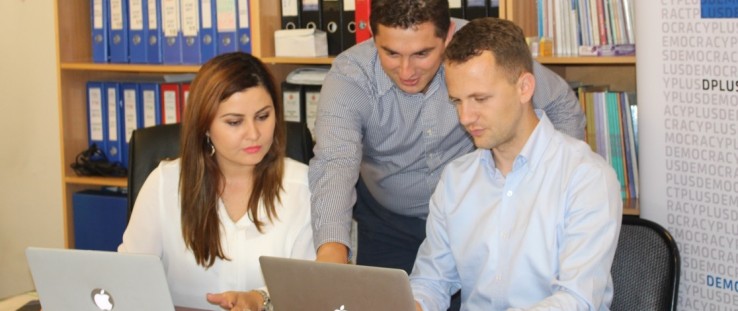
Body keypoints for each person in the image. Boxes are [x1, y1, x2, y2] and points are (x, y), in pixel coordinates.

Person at [310, 0, 585, 271]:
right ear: (374, 37)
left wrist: (549, 191)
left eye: (422, 54)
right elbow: (335, 162)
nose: (406, 71)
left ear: (449, 34)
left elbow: (560, 104)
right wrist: (331, 254)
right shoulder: (351, 76)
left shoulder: (480, 51)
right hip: (388, 225)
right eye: (391, 53)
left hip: (476, 216)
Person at [409, 17, 622, 311]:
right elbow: (432, 281)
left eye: (480, 99)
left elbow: (577, 300)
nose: (465, 117)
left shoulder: (585, 176)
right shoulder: (456, 179)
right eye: (457, 101)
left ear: (524, 88)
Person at [118, 52, 314, 311]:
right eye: (234, 122)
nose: (254, 134)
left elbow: (312, 287)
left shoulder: (304, 187)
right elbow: (128, 279)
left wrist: (260, 299)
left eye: (263, 116)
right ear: (205, 126)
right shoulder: (165, 184)